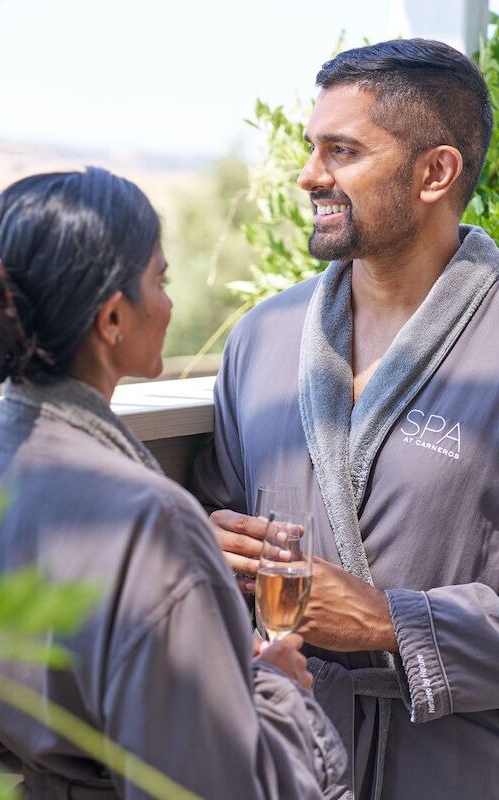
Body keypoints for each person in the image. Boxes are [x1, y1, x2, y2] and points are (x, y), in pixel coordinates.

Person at [0, 168, 345, 799]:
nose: (169, 303)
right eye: (160, 280)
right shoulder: (152, 519)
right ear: (113, 318)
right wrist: (275, 688)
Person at [192, 39, 499, 800]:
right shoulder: (263, 338)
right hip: (291, 761)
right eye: (311, 147)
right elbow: (215, 508)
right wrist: (208, 543)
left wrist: (388, 620)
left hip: (457, 767)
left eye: (343, 150)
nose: (309, 175)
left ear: (435, 173)